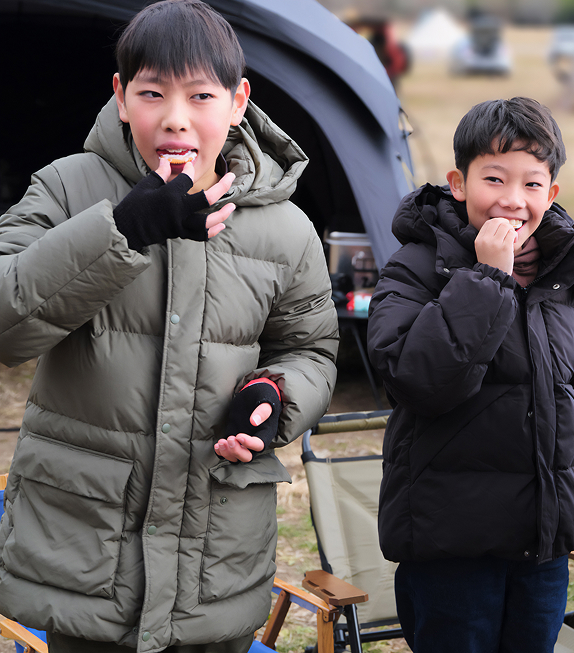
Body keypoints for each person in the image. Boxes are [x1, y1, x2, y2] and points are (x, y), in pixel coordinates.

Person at [0, 1, 338, 651]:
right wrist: (122, 230)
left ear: (238, 101)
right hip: (87, 568)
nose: (176, 118)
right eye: (153, 92)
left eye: (201, 95)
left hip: (215, 566)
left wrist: (274, 396)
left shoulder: (285, 227)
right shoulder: (70, 190)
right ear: (123, 97)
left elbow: (313, 350)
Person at [367, 97, 574, 653]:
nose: (512, 200)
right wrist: (486, 277)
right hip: (451, 542)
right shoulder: (416, 265)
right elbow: (417, 380)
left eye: (531, 184)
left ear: (551, 194)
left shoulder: (569, 275)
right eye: (494, 179)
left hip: (541, 544)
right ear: (458, 183)